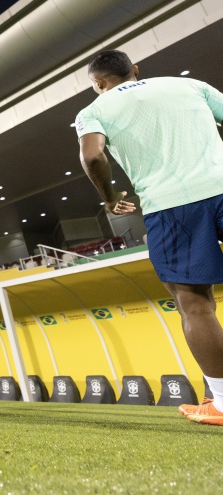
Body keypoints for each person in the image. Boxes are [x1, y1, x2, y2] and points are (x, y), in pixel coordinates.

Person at [77, 49, 223, 426]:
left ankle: (222, 402)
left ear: (97, 84)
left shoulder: (94, 110)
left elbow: (93, 157)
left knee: (196, 305)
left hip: (173, 206)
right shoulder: (190, 85)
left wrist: (109, 200)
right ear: (135, 71)